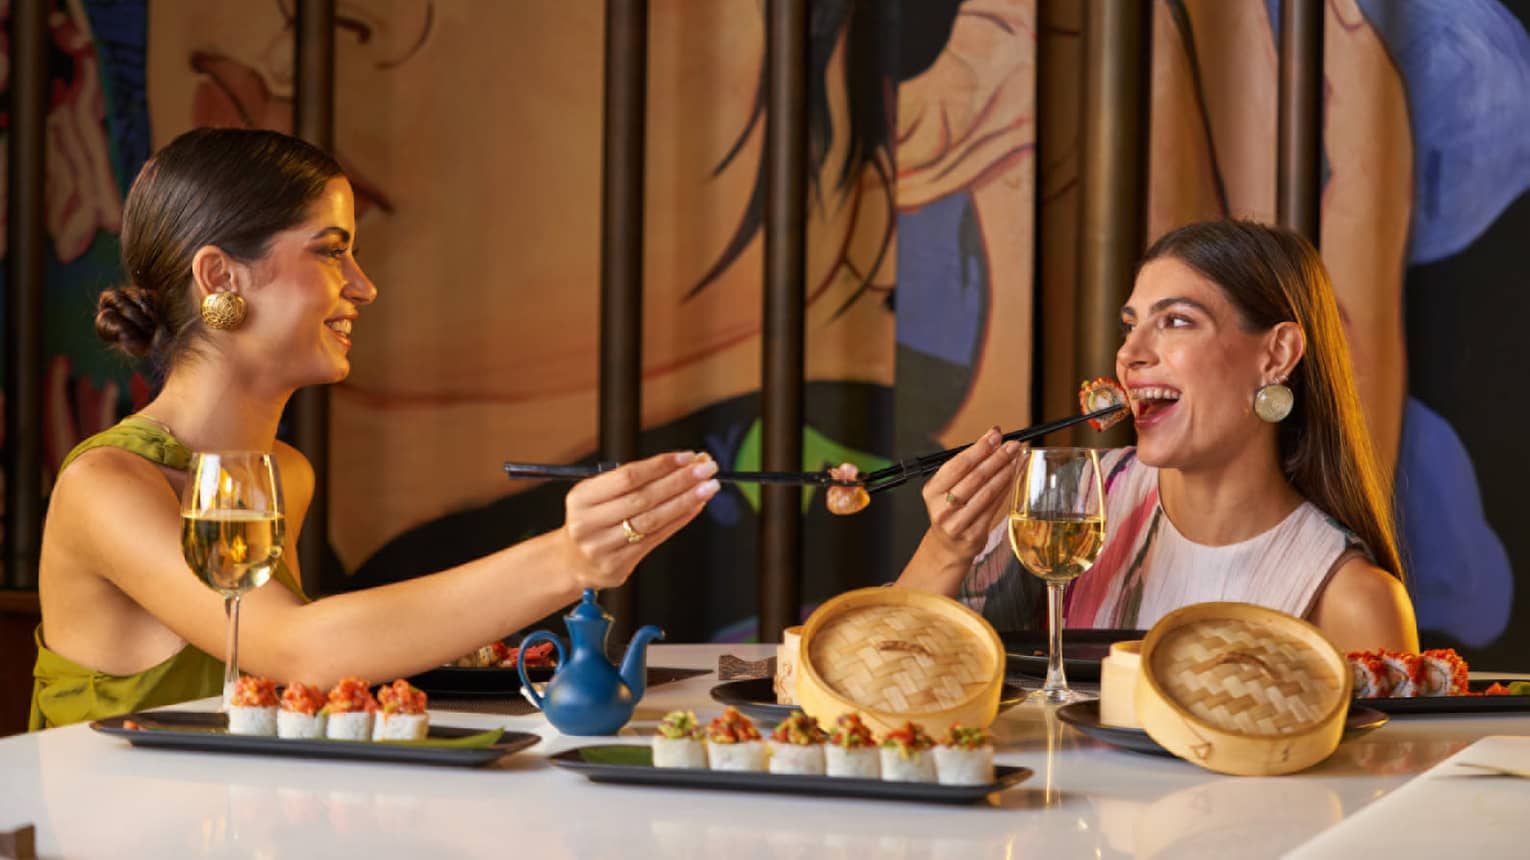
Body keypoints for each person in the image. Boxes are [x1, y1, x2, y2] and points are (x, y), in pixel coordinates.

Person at [31, 127, 721, 730]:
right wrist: (569, 559)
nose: (363, 286)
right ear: (220, 277)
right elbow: (298, 648)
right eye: (331, 252)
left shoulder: (284, 472)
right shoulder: (107, 486)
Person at [896, 220, 1418, 654]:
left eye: (1175, 321)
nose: (1130, 354)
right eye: (1130, 326)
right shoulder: (1074, 505)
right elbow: (882, 678)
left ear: (1276, 355)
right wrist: (946, 548)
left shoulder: (1349, 599)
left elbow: (1381, 779)